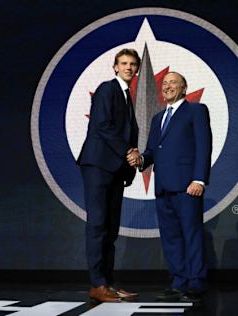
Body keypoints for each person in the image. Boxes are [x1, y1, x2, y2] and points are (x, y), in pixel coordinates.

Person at [127, 71, 212, 303]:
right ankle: (178, 281)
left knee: (191, 234)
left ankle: (196, 281)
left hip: (187, 185)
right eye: (165, 83)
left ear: (184, 88)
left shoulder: (196, 110)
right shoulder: (158, 118)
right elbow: (153, 150)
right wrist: (140, 160)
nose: (168, 86)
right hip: (163, 186)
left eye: (173, 82)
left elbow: (204, 147)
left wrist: (199, 179)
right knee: (171, 237)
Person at [76, 48, 140, 302]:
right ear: (115, 67)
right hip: (99, 165)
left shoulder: (126, 96)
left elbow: (126, 131)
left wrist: (129, 165)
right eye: (123, 63)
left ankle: (109, 282)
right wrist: (129, 152)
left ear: (137, 69)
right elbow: (102, 125)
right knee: (98, 224)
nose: (128, 67)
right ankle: (97, 284)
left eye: (133, 64)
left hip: (115, 168)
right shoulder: (107, 89)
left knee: (111, 228)